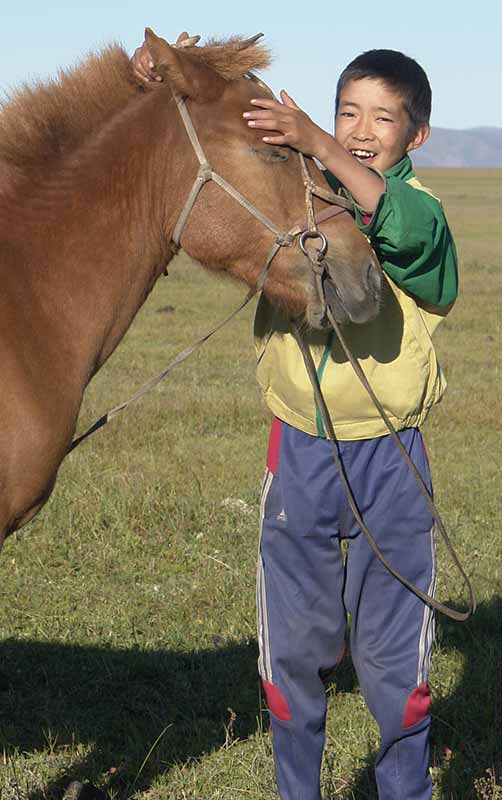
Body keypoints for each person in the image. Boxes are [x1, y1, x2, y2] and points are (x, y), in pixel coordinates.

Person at [132, 38, 457, 800]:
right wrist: (151, 82)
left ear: (416, 137)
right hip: (302, 456)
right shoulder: (301, 183)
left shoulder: (419, 211)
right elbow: (215, 135)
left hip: (393, 464)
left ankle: (404, 790)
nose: (361, 129)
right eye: (347, 112)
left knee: (394, 666)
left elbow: (400, 227)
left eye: (384, 118)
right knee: (292, 663)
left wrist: (319, 143)